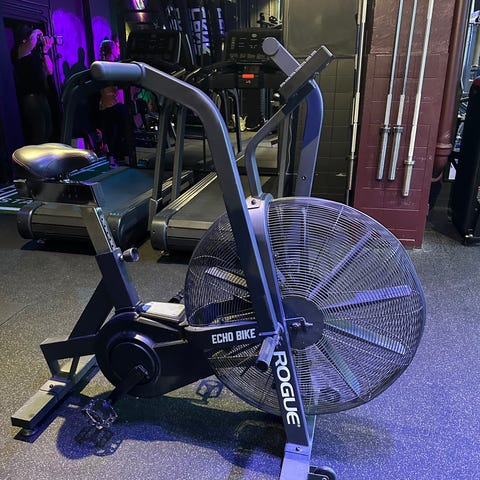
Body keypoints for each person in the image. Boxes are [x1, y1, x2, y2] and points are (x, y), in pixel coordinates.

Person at [11, 25, 60, 145]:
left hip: (42, 96)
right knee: (38, 131)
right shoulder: (18, 50)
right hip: (30, 98)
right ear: (24, 39)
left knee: (48, 130)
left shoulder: (35, 53)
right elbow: (31, 42)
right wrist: (36, 32)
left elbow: (50, 70)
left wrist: (45, 51)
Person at [98, 38, 128, 167]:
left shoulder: (101, 65)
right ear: (111, 50)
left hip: (108, 105)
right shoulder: (109, 66)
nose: (117, 50)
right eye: (116, 48)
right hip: (112, 104)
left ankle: (114, 158)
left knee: (111, 133)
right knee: (120, 131)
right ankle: (123, 157)